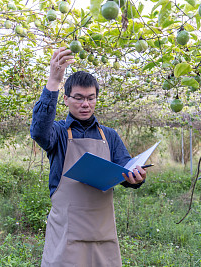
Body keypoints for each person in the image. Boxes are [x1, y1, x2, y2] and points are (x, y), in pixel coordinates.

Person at [30, 47, 147, 267]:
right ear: (65, 99)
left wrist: (137, 178)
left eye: (91, 98)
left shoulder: (109, 136)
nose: (86, 104)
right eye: (79, 98)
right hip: (66, 230)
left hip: (101, 230)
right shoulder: (58, 133)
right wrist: (53, 81)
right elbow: (38, 132)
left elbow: (127, 169)